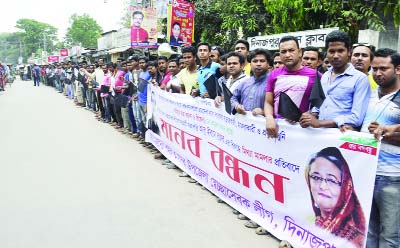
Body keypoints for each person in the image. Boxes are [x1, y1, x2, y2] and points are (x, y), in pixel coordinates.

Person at [360, 48, 400, 248]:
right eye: (374, 69)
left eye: (384, 68)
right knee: (368, 230)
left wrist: (387, 135)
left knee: (390, 236)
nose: (377, 73)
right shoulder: (367, 94)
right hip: (365, 172)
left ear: (398, 69)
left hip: (393, 176)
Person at [299, 30, 370, 132]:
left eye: (340, 51)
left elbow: (357, 118)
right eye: (331, 51)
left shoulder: (360, 79)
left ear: (349, 52)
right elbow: (319, 104)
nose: (335, 55)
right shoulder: (325, 76)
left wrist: (320, 123)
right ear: (326, 53)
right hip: (318, 134)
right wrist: (310, 116)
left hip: (340, 136)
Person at [305, 147, 366, 248]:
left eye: (332, 180)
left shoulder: (356, 240)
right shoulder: (307, 224)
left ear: (346, 188)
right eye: (316, 177)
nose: (322, 186)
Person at [265, 36, 319, 138]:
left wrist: (311, 115)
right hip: (276, 130)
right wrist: (269, 118)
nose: (287, 55)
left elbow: (322, 103)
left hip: (301, 133)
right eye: (283, 51)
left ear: (299, 52)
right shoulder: (273, 74)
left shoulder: (316, 76)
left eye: (291, 50)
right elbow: (268, 101)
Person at [231, 48, 271, 116]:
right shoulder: (245, 82)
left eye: (262, 61)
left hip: (264, 125)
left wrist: (264, 112)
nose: (258, 64)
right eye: (255, 61)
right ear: (250, 64)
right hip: (243, 124)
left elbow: (279, 108)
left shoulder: (273, 83)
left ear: (268, 64)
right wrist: (236, 106)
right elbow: (232, 97)